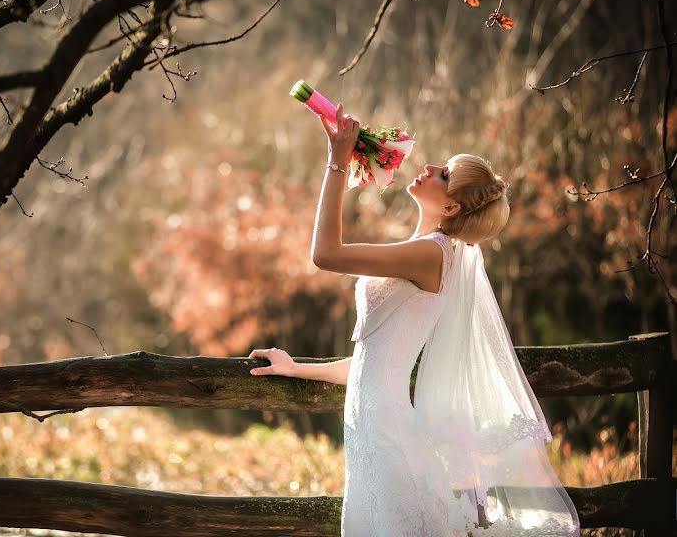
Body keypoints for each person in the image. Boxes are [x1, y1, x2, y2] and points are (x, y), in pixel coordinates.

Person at [248, 104, 580, 536]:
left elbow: (325, 254)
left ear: (452, 205)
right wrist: (295, 369)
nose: (428, 166)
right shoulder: (425, 248)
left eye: (443, 174)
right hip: (370, 430)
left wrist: (337, 162)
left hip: (388, 437)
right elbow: (374, 366)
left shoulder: (432, 253)